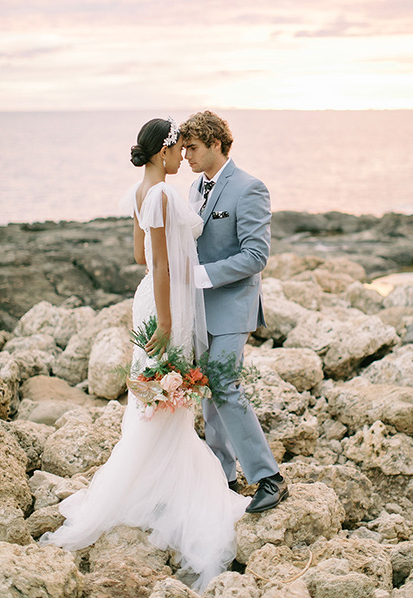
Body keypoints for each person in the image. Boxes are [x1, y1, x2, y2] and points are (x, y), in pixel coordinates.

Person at [40, 117, 249, 593]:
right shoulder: (164, 195)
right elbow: (159, 260)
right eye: (178, 150)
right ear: (161, 152)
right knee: (166, 396)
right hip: (164, 302)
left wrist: (166, 269)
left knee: (152, 398)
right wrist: (171, 319)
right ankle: (167, 493)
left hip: (148, 297)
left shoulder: (139, 192)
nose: (183, 158)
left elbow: (141, 256)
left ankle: (147, 487)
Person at [180, 110, 288, 513]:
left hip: (232, 306)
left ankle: (269, 478)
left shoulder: (249, 188)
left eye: (192, 147)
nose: (186, 155)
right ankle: (222, 475)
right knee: (207, 392)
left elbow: (256, 255)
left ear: (215, 144)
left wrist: (201, 275)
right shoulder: (195, 188)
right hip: (199, 309)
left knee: (223, 384)